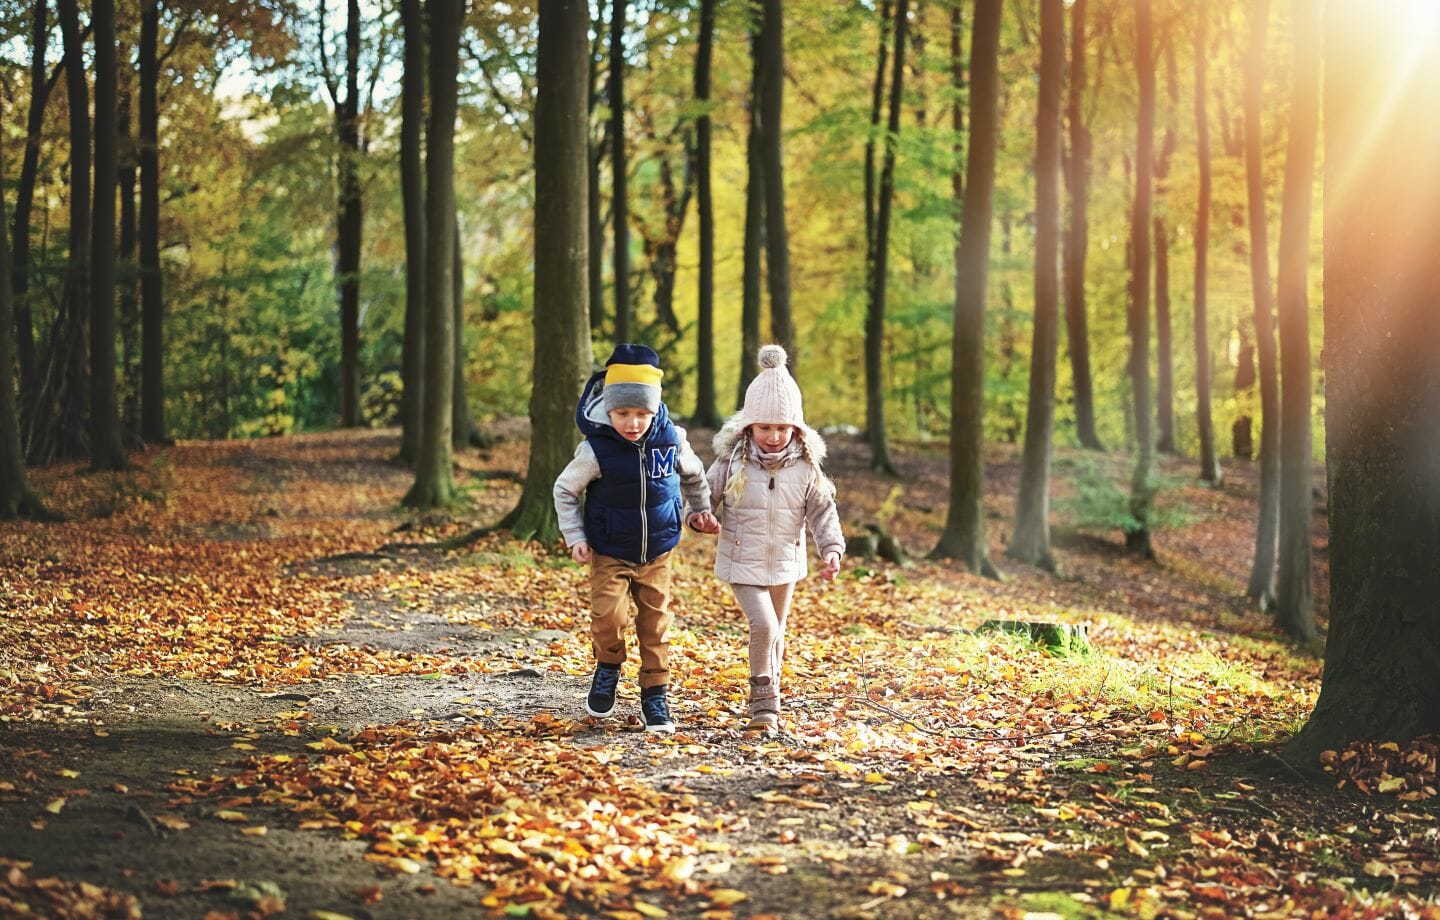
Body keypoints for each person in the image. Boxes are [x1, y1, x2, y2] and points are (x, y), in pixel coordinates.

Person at [553, 344, 719, 732]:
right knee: (608, 617)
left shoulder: (672, 439)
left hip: (658, 550)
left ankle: (655, 694)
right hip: (609, 549)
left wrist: (699, 510)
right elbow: (564, 490)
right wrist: (575, 535)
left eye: (642, 413)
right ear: (609, 410)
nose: (633, 422)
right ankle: (608, 666)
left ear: (654, 409)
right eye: (622, 413)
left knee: (655, 623)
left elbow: (695, 477)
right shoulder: (596, 449)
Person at [707, 344, 844, 731]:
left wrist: (831, 548)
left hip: (786, 562)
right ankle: (762, 705)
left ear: (796, 429)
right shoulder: (732, 462)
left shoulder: (805, 469)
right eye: (764, 427)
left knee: (778, 633)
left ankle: (772, 704)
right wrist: (698, 516)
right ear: (749, 425)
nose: (773, 435)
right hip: (741, 560)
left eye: (782, 428)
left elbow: (822, 512)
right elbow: (703, 496)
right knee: (764, 626)